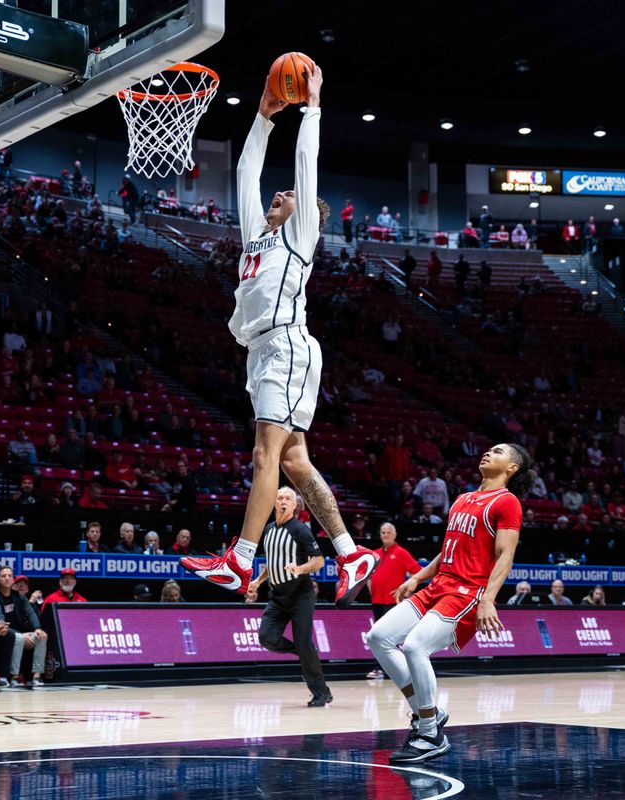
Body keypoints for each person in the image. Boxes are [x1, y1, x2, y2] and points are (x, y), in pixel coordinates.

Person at [181, 65, 378, 606]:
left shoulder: (299, 236)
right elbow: (247, 172)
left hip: (287, 345)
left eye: (289, 197)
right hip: (262, 352)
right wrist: (264, 119)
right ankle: (351, 551)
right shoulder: (255, 239)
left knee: (264, 458)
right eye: (280, 194)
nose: (280, 193)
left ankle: (239, 561)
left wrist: (311, 106)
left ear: (305, 218)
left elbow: (306, 166)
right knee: (294, 462)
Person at [366, 443, 531, 763]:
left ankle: (429, 733)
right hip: (438, 586)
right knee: (378, 637)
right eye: (489, 450)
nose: (488, 453)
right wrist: (418, 577)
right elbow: (449, 549)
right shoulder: (462, 499)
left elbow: (505, 556)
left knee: (414, 647)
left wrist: (488, 600)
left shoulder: (507, 502)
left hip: (466, 592)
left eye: (497, 452)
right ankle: (428, 712)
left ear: (512, 468)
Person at [244, 487, 331, 707]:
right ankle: (302, 652)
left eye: (288, 499)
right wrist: (258, 580)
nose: (283, 501)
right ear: (274, 502)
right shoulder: (269, 530)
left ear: (294, 506)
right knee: (266, 637)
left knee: (304, 642)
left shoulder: (300, 530)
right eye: (280, 498)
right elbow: (271, 561)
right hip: (277, 595)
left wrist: (300, 569)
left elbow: (319, 560)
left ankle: (321, 692)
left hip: (300, 594)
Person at [0, 566, 47, 687]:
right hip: (2, 634)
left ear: (13, 579)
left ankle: (37, 677)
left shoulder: (19, 596)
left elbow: (30, 612)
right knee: (19, 638)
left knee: (42, 636)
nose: (7, 578)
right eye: (3, 576)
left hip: (20, 634)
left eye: (10, 576)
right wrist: (20, 634)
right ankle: (14, 677)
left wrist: (37, 628)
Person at [370, 522, 421, 621]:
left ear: (395, 534)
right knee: (378, 632)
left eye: (388, 532)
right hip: (376, 601)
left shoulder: (401, 553)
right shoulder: (375, 554)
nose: (385, 535)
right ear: (380, 534)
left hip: (393, 601)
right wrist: (371, 588)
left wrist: (406, 590)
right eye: (383, 532)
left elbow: (417, 572)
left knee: (388, 633)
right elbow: (368, 575)